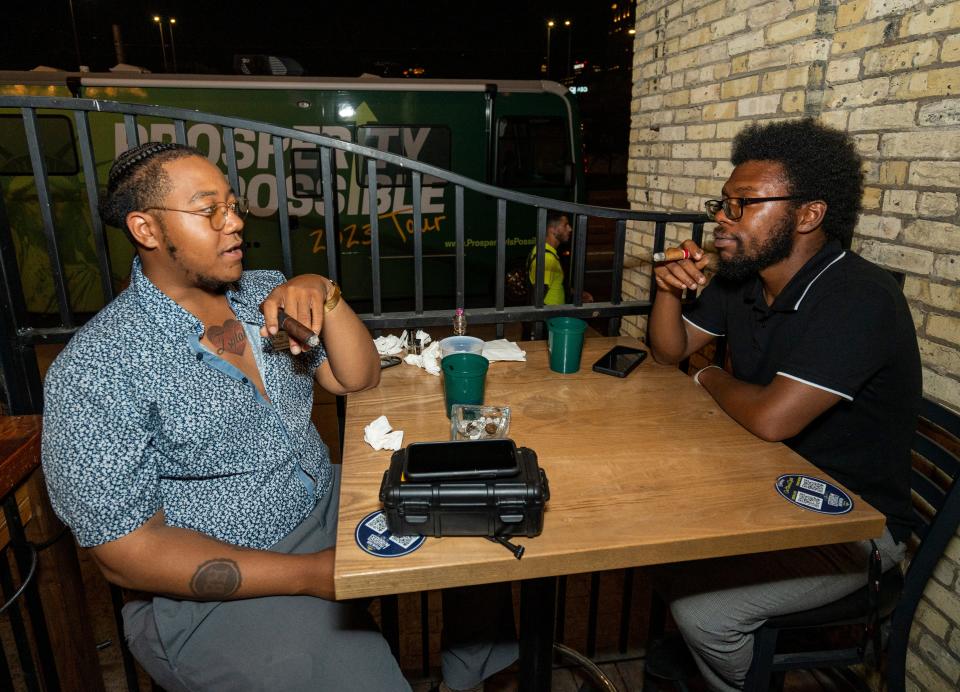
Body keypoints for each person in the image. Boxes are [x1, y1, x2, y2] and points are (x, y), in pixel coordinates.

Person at [41, 142, 516, 692]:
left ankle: (470, 681)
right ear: (146, 230)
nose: (235, 221)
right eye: (209, 210)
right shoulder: (96, 367)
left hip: (325, 500)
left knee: (475, 515)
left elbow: (356, 377)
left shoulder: (266, 293)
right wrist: (313, 575)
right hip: (215, 576)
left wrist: (324, 291)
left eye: (233, 205)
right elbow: (127, 555)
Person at [647, 118, 921, 690]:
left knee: (705, 615)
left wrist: (708, 377)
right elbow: (669, 349)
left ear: (808, 215)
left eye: (742, 204)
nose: (722, 218)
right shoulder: (742, 279)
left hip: (852, 523)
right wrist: (667, 291)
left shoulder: (859, 297)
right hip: (767, 490)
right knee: (649, 536)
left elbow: (772, 418)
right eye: (722, 203)